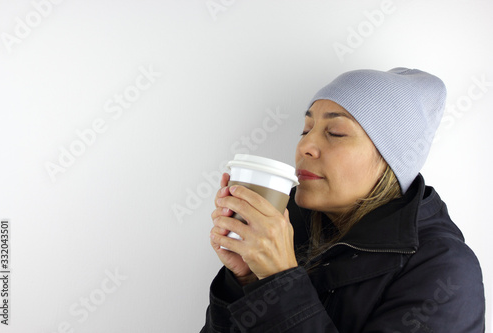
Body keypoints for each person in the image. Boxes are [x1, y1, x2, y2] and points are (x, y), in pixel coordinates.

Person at [201, 68, 485, 332]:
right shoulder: (291, 227)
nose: (304, 146)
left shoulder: (446, 273)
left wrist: (280, 280)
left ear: (390, 160)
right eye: (305, 129)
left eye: (335, 133)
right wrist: (248, 279)